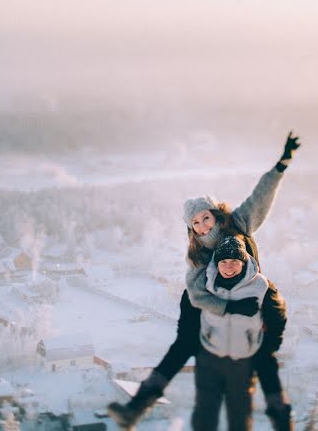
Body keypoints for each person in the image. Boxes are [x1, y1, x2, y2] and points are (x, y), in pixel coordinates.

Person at [107, 133, 299, 430]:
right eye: (195, 223)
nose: (201, 225)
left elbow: (259, 198)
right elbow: (197, 295)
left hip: (246, 291)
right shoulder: (197, 255)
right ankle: (136, 408)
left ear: (216, 214)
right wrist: (226, 309)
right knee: (182, 347)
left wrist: (281, 165)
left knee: (263, 356)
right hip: (207, 302)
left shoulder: (239, 223)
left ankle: (282, 420)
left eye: (205, 218)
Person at [192, 235, 276, 431]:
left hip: (243, 360)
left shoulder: (261, 286)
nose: (228, 267)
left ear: (244, 261)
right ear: (217, 263)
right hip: (210, 356)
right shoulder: (206, 285)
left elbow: (273, 319)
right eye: (224, 262)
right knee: (205, 414)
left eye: (234, 262)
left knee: (239, 414)